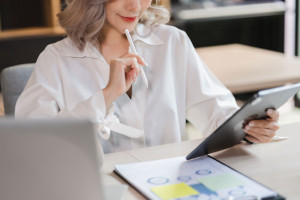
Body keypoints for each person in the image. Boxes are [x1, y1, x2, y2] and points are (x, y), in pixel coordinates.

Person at [15, 0, 279, 153]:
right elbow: (33, 146)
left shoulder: (171, 42)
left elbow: (215, 112)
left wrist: (249, 127)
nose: (135, 5)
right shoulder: (57, 59)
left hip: (166, 186)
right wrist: (105, 96)